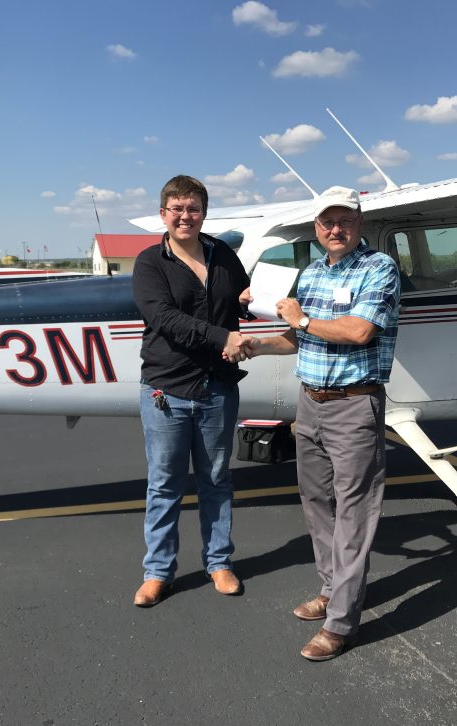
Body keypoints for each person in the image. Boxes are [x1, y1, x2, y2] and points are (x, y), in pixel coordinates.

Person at [244, 186, 400, 660]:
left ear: (359, 224)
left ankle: (342, 624)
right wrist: (254, 344)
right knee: (316, 503)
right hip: (309, 403)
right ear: (316, 228)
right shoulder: (311, 273)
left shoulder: (379, 269)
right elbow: (297, 338)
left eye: (345, 221)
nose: (335, 229)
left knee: (354, 511)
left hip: (355, 406)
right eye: (327, 222)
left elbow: (359, 330)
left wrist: (304, 319)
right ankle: (334, 590)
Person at [130, 175, 252, 607]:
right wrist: (223, 338)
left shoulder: (224, 255)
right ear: (163, 214)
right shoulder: (149, 262)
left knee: (216, 479)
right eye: (177, 209)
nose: (186, 216)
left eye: (194, 208)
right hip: (167, 390)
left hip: (217, 388)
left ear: (204, 212)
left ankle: (219, 563)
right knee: (165, 484)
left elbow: (240, 303)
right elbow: (164, 318)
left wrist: (251, 302)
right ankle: (158, 571)